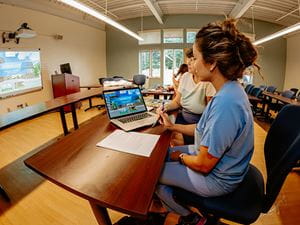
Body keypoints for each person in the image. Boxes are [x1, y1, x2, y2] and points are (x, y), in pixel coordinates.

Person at [155, 19, 259, 225]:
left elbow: (203, 165)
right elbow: (204, 129)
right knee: (162, 156)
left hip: (217, 180)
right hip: (222, 165)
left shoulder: (226, 103)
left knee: (153, 175)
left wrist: (181, 156)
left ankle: (191, 218)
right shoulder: (228, 90)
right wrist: (172, 127)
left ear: (211, 63)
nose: (191, 63)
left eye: (196, 56)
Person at [158, 48, 215, 145]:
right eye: (188, 59)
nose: (188, 62)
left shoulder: (207, 82)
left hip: (197, 124)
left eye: (193, 59)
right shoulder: (185, 77)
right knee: (164, 135)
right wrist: (165, 107)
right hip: (182, 118)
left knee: (173, 142)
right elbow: (177, 102)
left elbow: (209, 116)